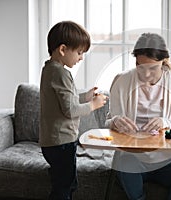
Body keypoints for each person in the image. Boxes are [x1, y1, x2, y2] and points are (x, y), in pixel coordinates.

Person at [105, 33, 171, 200]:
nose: (146, 74)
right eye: (140, 67)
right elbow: (108, 122)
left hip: (169, 161)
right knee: (125, 162)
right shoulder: (121, 81)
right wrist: (115, 121)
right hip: (133, 159)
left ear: (163, 61)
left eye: (153, 68)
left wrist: (166, 122)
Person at [39, 21, 108, 200]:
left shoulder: (49, 69)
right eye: (79, 52)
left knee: (62, 182)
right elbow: (70, 109)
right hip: (62, 142)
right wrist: (94, 105)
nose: (81, 58)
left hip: (51, 142)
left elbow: (64, 100)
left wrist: (85, 97)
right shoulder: (62, 73)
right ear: (63, 49)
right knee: (65, 186)